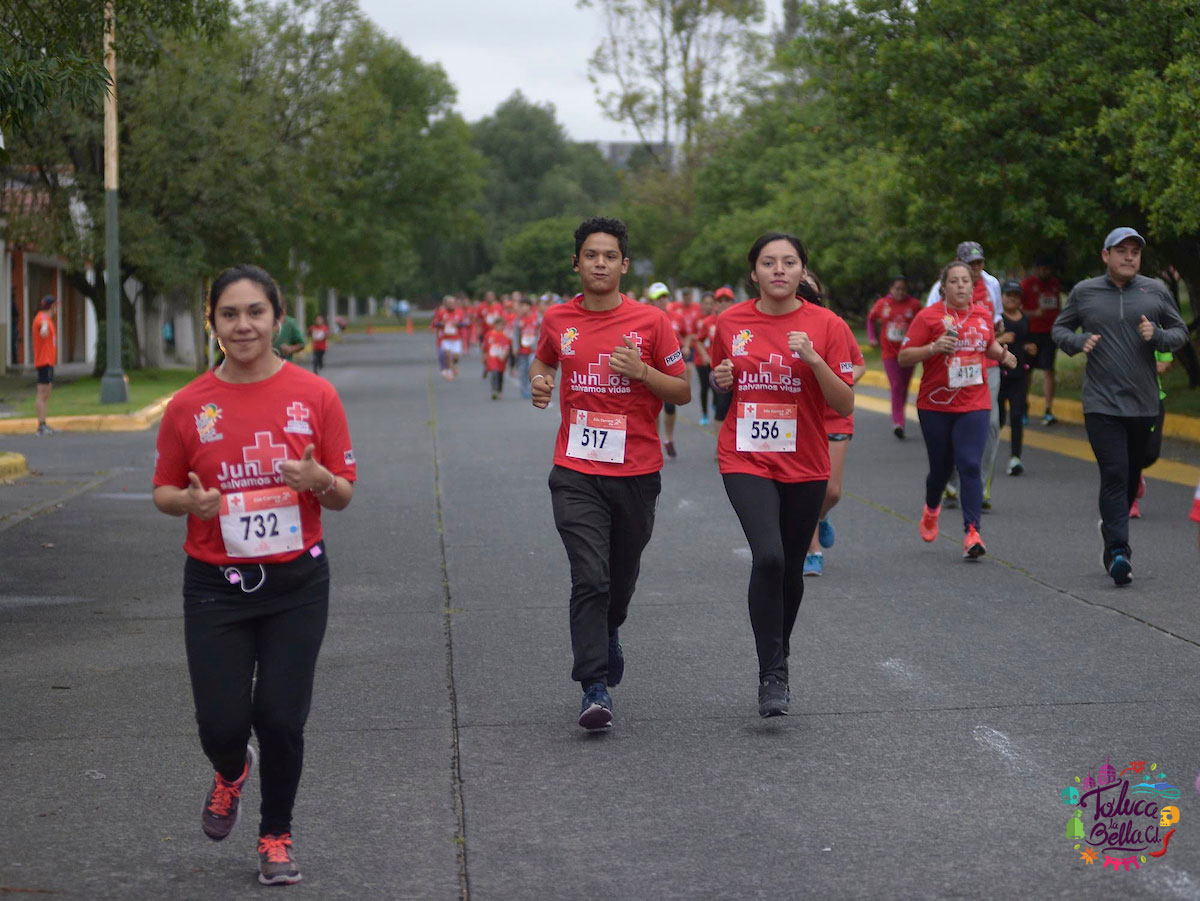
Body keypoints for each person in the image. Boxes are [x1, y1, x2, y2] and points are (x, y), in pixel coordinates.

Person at [152, 264, 356, 885]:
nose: (243, 325)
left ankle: (275, 835)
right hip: (216, 585)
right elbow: (162, 490)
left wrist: (316, 480)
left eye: (255, 313)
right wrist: (190, 504)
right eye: (229, 314)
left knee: (280, 716)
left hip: (297, 584)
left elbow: (344, 493)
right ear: (213, 323)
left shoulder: (315, 395)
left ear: (276, 317)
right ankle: (230, 769)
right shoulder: (189, 406)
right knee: (220, 723)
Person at [530, 217, 689, 731]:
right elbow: (545, 360)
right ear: (576, 263)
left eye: (610, 255)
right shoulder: (557, 318)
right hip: (575, 469)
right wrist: (540, 382)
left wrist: (643, 373)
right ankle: (594, 687)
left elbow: (682, 391)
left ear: (624, 264)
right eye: (590, 255)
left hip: (637, 471)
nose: (600, 263)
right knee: (590, 577)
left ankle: (611, 628)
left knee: (619, 581)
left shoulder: (652, 321)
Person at [711, 233, 855, 717]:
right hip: (745, 455)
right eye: (768, 262)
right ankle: (772, 672)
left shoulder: (827, 325)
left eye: (789, 262)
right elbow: (721, 375)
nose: (779, 270)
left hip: (805, 461)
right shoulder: (730, 322)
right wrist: (720, 380)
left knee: (791, 565)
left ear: (801, 272)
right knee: (768, 557)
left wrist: (814, 360)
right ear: (753, 272)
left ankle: (778, 653)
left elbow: (845, 402)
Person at [1051, 227, 1188, 585]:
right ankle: (1118, 552)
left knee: (1131, 474)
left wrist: (1157, 336)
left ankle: (1112, 527)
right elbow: (1059, 330)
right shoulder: (1085, 292)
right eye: (1121, 250)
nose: (1129, 257)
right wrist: (1078, 341)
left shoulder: (1155, 290)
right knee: (1114, 472)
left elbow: (1180, 332)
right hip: (1101, 403)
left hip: (1144, 403)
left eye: (1135, 252)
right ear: (1105, 255)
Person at [899, 260, 1017, 560]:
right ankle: (931, 507)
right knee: (941, 469)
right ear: (944, 286)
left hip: (974, 403)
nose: (962, 285)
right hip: (935, 405)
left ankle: (972, 532)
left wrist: (1003, 355)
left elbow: (986, 345)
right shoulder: (929, 317)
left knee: (969, 464)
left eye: (966, 280)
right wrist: (933, 348)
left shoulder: (981, 313)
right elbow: (904, 356)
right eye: (955, 281)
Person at [926, 242, 1003, 510]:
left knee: (991, 424)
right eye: (970, 264)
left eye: (979, 263)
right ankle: (952, 478)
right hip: (951, 369)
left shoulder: (992, 284)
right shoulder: (940, 289)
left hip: (987, 366)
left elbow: (998, 321)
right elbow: (929, 324)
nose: (975, 269)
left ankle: (979, 486)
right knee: (954, 428)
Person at [802, 275, 866, 577]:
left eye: (806, 280)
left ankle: (823, 516)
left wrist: (834, 380)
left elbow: (858, 363)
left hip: (835, 415)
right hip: (802, 416)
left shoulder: (834, 323)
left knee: (831, 491)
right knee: (810, 487)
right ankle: (812, 549)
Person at [867, 276, 921, 438]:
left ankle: (900, 414)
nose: (900, 292)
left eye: (903, 289)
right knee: (896, 385)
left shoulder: (914, 305)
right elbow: (871, 319)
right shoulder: (883, 304)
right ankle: (898, 422)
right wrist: (872, 337)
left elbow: (922, 323)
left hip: (908, 352)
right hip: (889, 353)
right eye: (897, 288)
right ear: (891, 289)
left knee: (903, 386)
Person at [996, 281, 1036, 475]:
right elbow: (985, 343)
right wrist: (1000, 340)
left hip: (1020, 373)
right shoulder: (997, 319)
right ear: (1001, 297)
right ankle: (989, 452)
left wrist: (1029, 347)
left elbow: (1027, 340)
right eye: (1008, 294)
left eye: (1016, 295)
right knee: (998, 417)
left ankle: (1015, 458)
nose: (1012, 298)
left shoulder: (1025, 319)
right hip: (999, 373)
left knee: (1017, 415)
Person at [1020, 256, 1063, 424]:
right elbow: (1017, 309)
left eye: (1048, 269)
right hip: (1031, 333)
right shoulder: (1027, 285)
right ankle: (1023, 407)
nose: (1045, 272)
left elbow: (1057, 306)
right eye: (1042, 269)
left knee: (1048, 370)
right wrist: (1033, 313)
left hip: (1048, 334)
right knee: (1027, 371)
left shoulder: (1054, 284)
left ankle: (1048, 410)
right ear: (1036, 269)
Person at [1131, 351, 1173, 518]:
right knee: (1128, 448)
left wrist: (1156, 366)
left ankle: (1136, 473)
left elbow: (1166, 362)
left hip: (1153, 399)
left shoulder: (1156, 330)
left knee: (1151, 453)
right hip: (1124, 400)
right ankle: (1130, 498)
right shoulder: (1116, 329)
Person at [646, 281, 681, 458]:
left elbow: (686, 335)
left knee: (670, 407)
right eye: (658, 298)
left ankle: (669, 438)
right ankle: (656, 439)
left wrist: (686, 347)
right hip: (653, 368)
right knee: (654, 407)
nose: (662, 300)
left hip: (671, 367)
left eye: (664, 296)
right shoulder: (646, 318)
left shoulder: (676, 317)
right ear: (651, 301)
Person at [710, 286, 737, 431]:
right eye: (720, 301)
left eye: (727, 300)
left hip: (739, 372)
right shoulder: (710, 321)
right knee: (720, 407)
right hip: (720, 370)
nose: (724, 303)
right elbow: (700, 340)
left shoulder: (739, 322)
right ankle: (720, 446)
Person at [32, 295, 58, 436]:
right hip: (44, 361)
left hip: (48, 361)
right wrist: (44, 329)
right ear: (52, 306)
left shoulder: (46, 319)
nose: (56, 309)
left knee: (46, 393)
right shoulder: (42, 318)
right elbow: (43, 326)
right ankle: (41, 426)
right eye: (55, 306)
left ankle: (44, 423)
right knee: (42, 393)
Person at [693, 291, 716, 426]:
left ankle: (715, 404)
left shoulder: (719, 318)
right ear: (701, 304)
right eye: (706, 303)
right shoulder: (697, 319)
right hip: (700, 359)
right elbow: (692, 336)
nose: (708, 306)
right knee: (704, 387)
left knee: (715, 386)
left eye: (711, 304)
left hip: (714, 359)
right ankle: (704, 414)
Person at [511, 294, 539, 399]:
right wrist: (515, 347)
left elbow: (539, 332)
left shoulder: (536, 318)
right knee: (523, 369)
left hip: (533, 349)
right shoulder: (518, 320)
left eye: (524, 306)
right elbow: (516, 334)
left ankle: (533, 388)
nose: (522, 308)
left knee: (531, 369)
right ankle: (524, 389)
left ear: (529, 306)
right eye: (521, 306)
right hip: (522, 350)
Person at [431, 295, 464, 380]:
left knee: (456, 356)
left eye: (453, 303)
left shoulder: (459, 312)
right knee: (447, 355)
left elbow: (464, 323)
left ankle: (454, 364)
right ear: (445, 304)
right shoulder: (442, 312)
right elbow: (435, 323)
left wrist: (457, 325)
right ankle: (449, 372)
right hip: (446, 338)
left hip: (456, 338)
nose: (451, 305)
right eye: (449, 303)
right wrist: (441, 324)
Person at [483, 317, 512, 399]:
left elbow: (507, 347)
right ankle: (494, 390)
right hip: (492, 358)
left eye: (502, 325)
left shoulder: (505, 336)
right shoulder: (489, 334)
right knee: (494, 373)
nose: (500, 327)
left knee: (500, 374)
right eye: (498, 325)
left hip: (501, 359)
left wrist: (504, 354)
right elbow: (485, 347)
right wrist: (484, 356)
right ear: (495, 325)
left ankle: (499, 390)